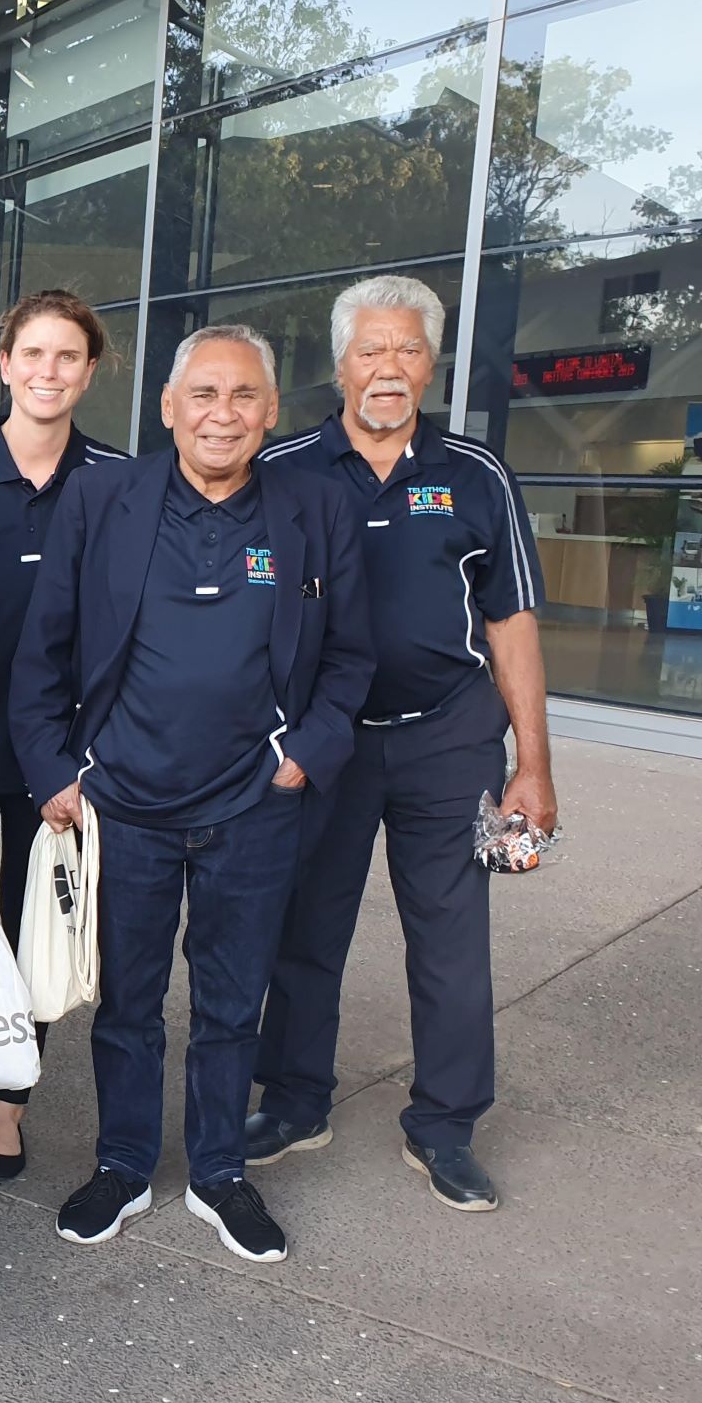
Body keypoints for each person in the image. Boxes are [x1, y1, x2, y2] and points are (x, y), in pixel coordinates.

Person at [11, 324, 373, 1265]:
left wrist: (308, 752)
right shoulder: (101, 497)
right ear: (167, 408)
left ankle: (219, 1174)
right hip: (121, 802)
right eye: (202, 396)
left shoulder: (315, 508)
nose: (222, 414)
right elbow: (42, 645)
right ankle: (123, 1163)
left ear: (269, 412)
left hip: (254, 805)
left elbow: (350, 657)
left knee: (228, 1004)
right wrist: (54, 770)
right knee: (127, 1005)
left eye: (242, 396)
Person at [249, 276, 557, 1211]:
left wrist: (534, 765)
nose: (389, 368)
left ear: (431, 364)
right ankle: (296, 1100)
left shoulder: (475, 474)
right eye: (370, 351)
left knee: (451, 939)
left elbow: (510, 623)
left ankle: (445, 1125)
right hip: (326, 743)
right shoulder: (287, 469)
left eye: (408, 350)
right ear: (341, 363)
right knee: (305, 929)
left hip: (448, 739)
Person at [0, 289, 129, 1180]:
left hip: (63, 763)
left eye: (67, 357)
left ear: (90, 370)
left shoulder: (119, 481)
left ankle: (8, 1104)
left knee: (33, 937)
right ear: (3, 364)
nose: (48, 373)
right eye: (32, 355)